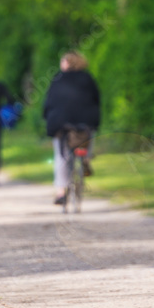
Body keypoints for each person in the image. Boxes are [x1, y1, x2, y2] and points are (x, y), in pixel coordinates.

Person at [42, 51, 101, 205]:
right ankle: (87, 157)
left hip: (61, 124)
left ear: (67, 63)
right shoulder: (88, 78)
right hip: (85, 123)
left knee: (61, 156)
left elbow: (48, 103)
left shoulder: (58, 79)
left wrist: (46, 117)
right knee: (89, 132)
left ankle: (61, 192)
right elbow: (97, 100)